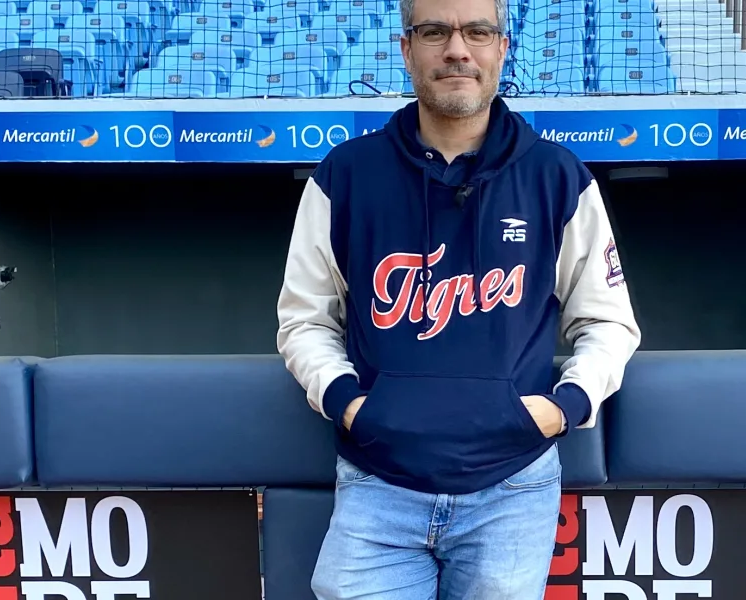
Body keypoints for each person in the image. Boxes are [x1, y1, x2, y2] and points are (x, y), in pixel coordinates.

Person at [275, 0, 642, 595]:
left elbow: (608, 321)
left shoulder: (556, 176)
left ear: (502, 48)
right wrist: (347, 401)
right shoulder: (345, 175)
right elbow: (305, 319)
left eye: (477, 31)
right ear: (406, 49)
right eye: (434, 32)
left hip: (511, 486)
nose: (456, 50)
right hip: (378, 482)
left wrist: (564, 406)